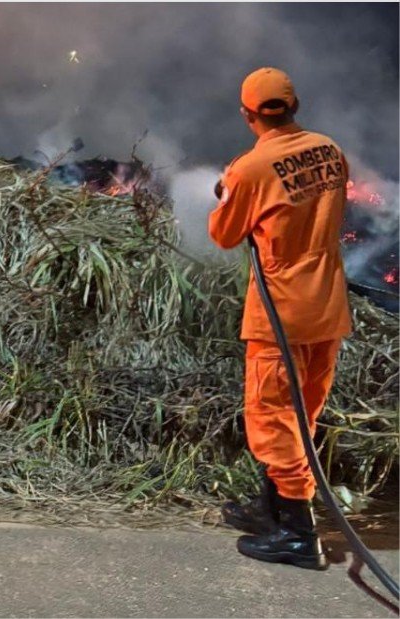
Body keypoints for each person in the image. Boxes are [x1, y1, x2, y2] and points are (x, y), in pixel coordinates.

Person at [209, 67, 352, 571]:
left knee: (272, 420)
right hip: (327, 306)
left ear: (248, 114)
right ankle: (273, 509)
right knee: (302, 415)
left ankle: (298, 534)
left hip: (281, 314)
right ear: (296, 106)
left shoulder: (250, 168)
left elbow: (225, 235)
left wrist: (227, 190)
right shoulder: (331, 151)